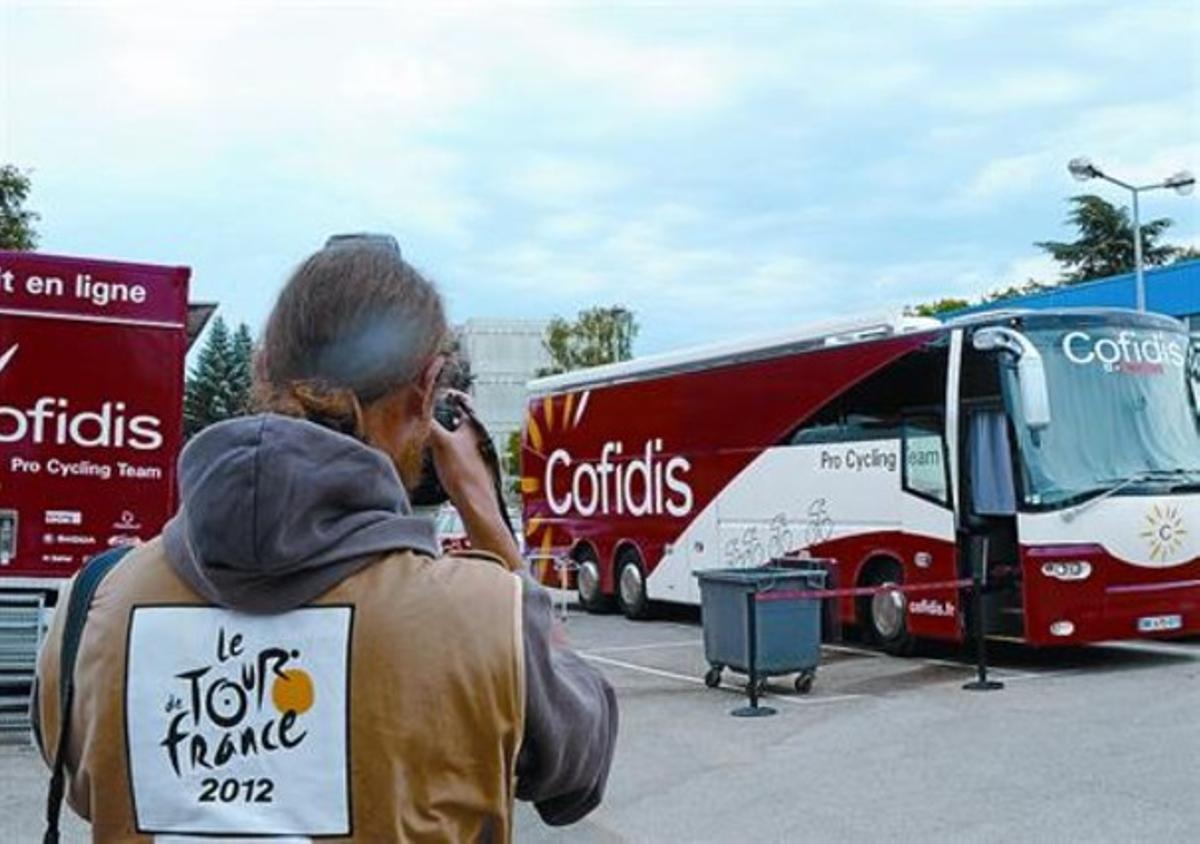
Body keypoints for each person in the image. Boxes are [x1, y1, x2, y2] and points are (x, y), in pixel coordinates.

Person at [33, 242, 618, 842]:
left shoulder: (96, 602)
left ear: (262, 368)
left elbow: (88, 786)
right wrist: (492, 527)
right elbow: (576, 772)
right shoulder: (488, 614)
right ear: (426, 388)